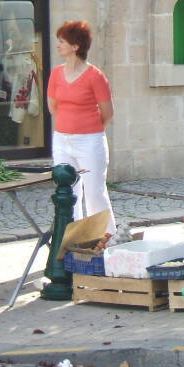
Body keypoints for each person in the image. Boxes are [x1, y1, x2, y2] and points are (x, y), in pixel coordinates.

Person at [47, 21, 116, 234]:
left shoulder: (95, 76)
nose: (57, 45)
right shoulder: (56, 73)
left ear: (75, 46)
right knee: (68, 192)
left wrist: (90, 131)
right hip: (62, 140)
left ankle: (107, 239)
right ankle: (72, 242)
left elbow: (108, 113)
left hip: (89, 140)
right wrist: (67, 128)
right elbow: (53, 107)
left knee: (94, 192)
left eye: (62, 41)